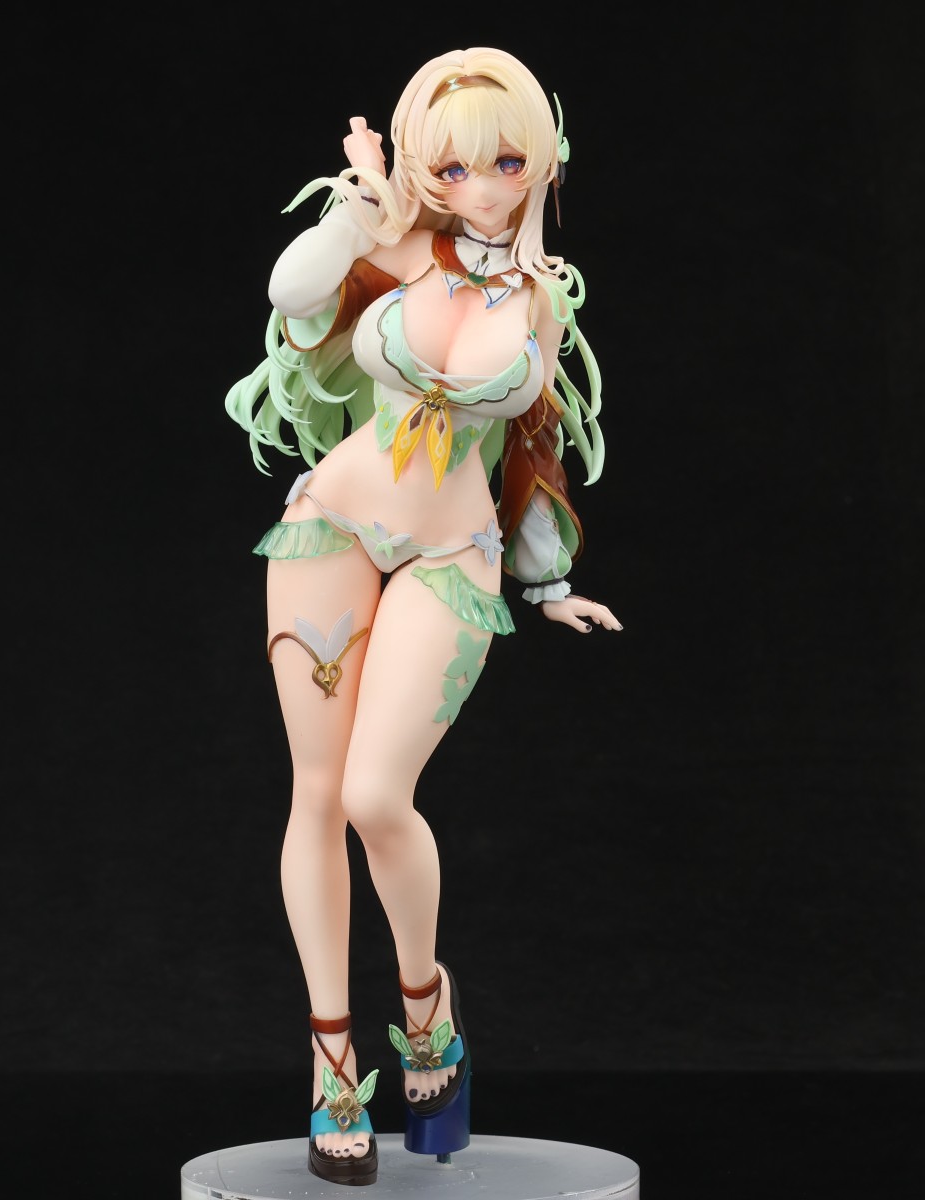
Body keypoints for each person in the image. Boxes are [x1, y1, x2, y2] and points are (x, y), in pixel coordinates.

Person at [223, 45, 622, 1186]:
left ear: (542, 160)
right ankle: (331, 1063)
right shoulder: (399, 245)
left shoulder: (541, 297)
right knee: (315, 794)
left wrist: (547, 582)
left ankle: (424, 1000)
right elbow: (292, 296)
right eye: (451, 167)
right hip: (334, 526)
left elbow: (534, 439)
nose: (481, 187)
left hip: (452, 553)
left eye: (506, 162)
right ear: (420, 166)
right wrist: (359, 212)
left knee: (374, 795)